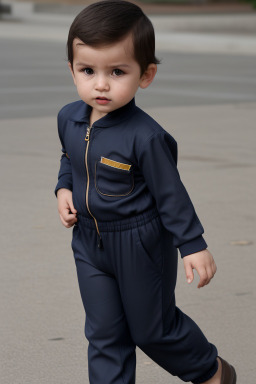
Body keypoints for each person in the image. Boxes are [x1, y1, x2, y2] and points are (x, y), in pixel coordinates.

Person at [55, 1, 236, 383]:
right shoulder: (68, 118)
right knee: (104, 333)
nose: (100, 84)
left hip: (141, 243)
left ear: (146, 75)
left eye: (117, 71)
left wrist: (193, 244)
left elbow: (171, 193)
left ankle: (211, 371)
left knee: (153, 330)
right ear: (72, 70)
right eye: (88, 70)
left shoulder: (147, 136)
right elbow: (69, 158)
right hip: (89, 242)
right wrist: (63, 188)